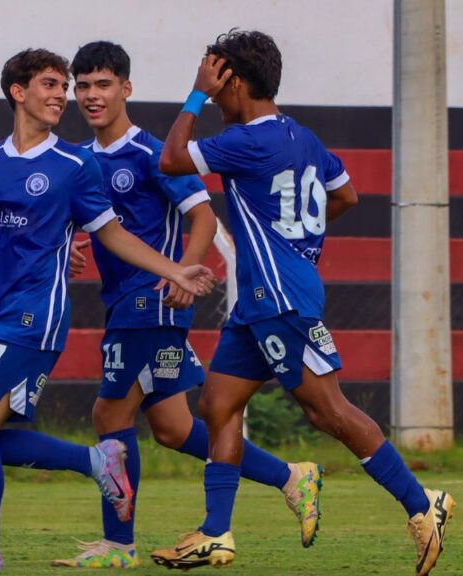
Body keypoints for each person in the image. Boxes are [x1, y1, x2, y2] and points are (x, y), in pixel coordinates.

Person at [148, 31, 456, 575]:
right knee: (217, 407)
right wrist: (300, 236)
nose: (215, 98)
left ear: (235, 83)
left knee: (326, 409)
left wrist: (193, 94)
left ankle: (420, 504)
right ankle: (215, 534)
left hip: (281, 298)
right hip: (261, 301)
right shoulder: (303, 138)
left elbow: (172, 158)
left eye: (219, 87)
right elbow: (347, 194)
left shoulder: (246, 140)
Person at [0, 48, 216, 573]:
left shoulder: (76, 165)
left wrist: (174, 270)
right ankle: (96, 461)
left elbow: (114, 233)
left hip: (37, 314)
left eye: (65, 86)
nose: (63, 96)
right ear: (18, 92)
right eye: (53, 85)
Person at [50, 40, 324, 569]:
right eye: (81, 86)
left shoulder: (150, 152)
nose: (91, 96)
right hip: (123, 302)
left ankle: (118, 544)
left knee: (109, 414)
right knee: (175, 429)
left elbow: (202, 216)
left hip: (151, 301)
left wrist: (182, 272)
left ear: (126, 88)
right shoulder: (81, 161)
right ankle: (291, 476)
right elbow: (103, 228)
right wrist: (74, 251)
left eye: (103, 84)